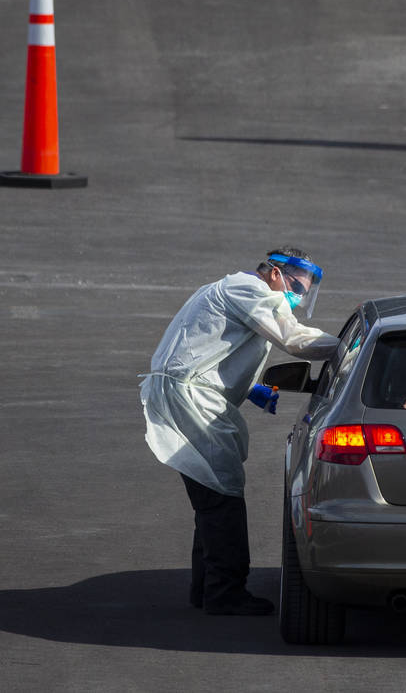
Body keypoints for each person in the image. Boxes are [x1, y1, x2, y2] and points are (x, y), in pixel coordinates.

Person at [140, 247, 339, 615]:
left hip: (187, 393)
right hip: (193, 401)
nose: (298, 296)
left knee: (211, 496)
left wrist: (249, 387)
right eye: (295, 285)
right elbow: (294, 340)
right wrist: (351, 348)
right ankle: (225, 592)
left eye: (305, 290)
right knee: (222, 497)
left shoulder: (233, 290)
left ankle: (206, 588)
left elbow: (210, 349)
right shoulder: (252, 290)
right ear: (275, 273)